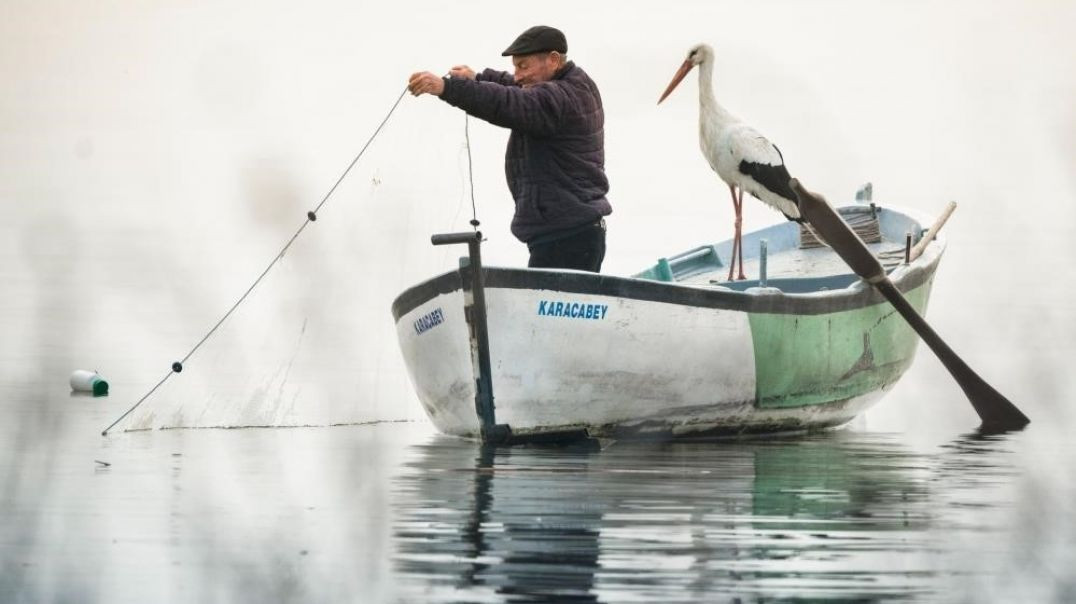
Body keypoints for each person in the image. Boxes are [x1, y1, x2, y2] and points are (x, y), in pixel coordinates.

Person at [408, 25, 612, 272]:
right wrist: (478, 78)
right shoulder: (573, 83)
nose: (516, 74)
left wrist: (447, 88)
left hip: (567, 238)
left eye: (523, 66)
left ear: (554, 60)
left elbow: (509, 102)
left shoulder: (559, 98)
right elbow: (517, 88)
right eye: (515, 67)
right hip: (571, 231)